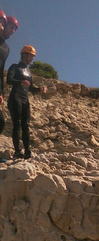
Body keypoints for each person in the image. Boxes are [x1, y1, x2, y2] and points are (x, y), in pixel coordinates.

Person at [6, 44, 46, 159]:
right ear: (24, 55)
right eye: (31, 56)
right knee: (17, 124)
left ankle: (28, 152)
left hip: (25, 100)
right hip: (15, 98)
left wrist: (39, 89)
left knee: (26, 125)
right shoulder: (15, 67)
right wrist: (20, 82)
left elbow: (30, 88)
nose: (32, 59)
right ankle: (18, 151)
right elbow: (9, 80)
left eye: (33, 57)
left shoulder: (29, 72)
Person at [0, 12, 18, 162]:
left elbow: (1, 70)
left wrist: (1, 92)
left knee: (0, 121)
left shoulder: (6, 48)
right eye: (10, 27)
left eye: (14, 29)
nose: (12, 30)